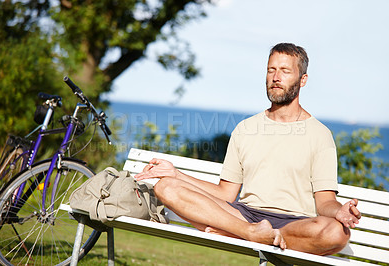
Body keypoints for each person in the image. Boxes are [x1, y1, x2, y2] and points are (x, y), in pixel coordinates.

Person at [135, 43, 361, 255]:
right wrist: (176, 174)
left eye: (285, 71)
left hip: (296, 223)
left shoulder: (320, 135)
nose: (275, 77)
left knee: (337, 233)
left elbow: (325, 203)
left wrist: (339, 211)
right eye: (271, 70)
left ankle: (252, 236)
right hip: (244, 216)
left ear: (303, 80)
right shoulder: (245, 128)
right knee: (166, 187)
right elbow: (226, 194)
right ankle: (250, 233)